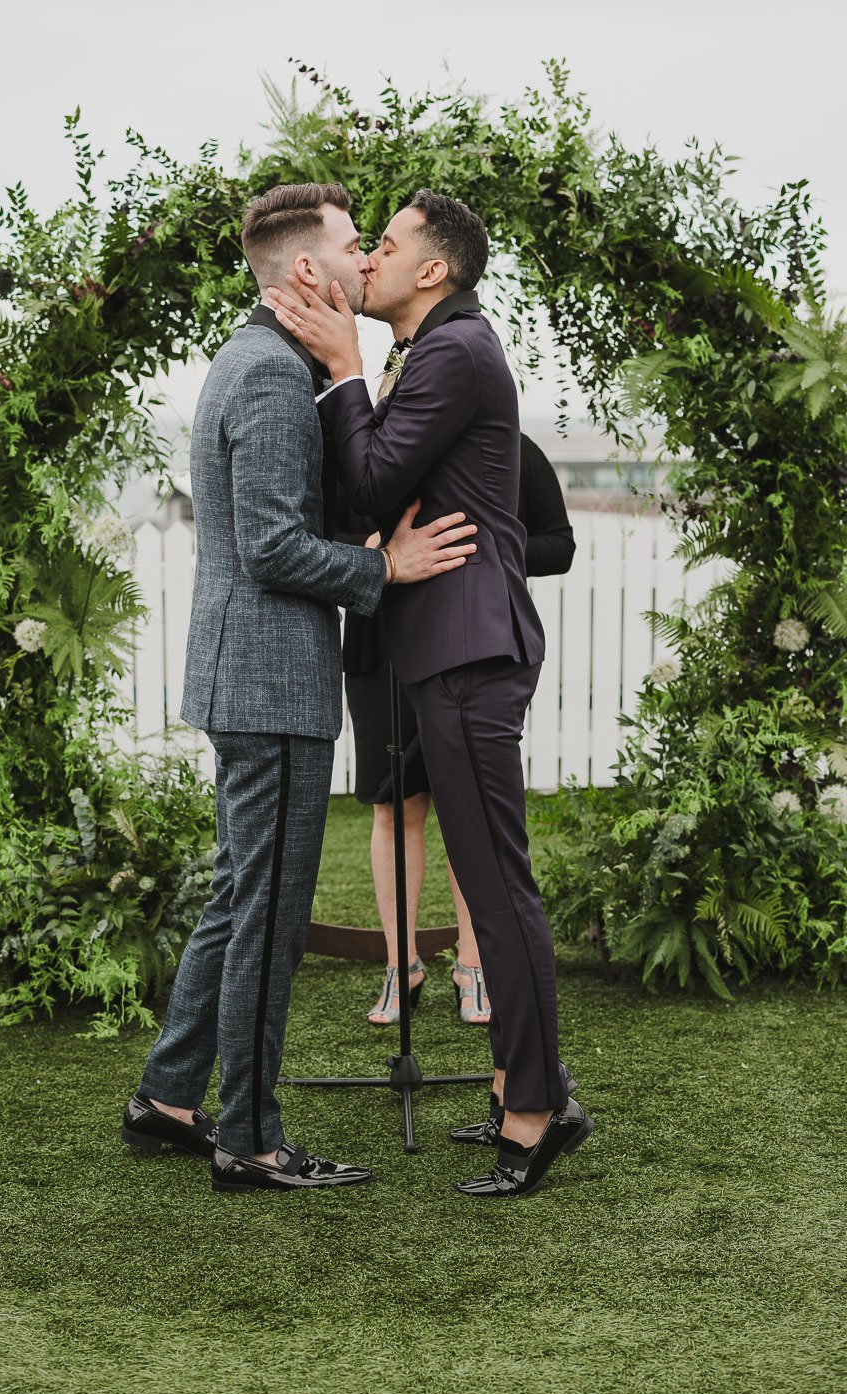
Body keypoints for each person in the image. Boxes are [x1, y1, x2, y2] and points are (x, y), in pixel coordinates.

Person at [121, 182, 478, 1194]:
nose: (368, 260)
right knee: (269, 913)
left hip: (248, 673)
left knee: (241, 898)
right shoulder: (275, 377)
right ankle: (253, 1138)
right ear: (308, 269)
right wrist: (385, 569)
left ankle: (169, 1097)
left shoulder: (256, 357)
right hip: (271, 682)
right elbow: (276, 548)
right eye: (356, 246)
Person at [269, 189, 594, 1199]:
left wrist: (341, 371)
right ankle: (521, 1087)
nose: (370, 257)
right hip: (453, 647)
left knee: (498, 890)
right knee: (497, 885)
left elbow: (367, 482)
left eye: (390, 243)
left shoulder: (453, 349)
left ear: (434, 271)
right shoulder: (443, 348)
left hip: (466, 649)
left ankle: (537, 1116)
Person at [336, 434, 576, 1028]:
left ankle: (473, 964)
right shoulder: (366, 450)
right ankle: (401, 964)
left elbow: (559, 546)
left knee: (466, 808)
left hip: (466, 642)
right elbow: (327, 531)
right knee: (393, 807)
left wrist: (476, 550)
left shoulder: (510, 449)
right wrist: (380, 552)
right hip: (380, 646)